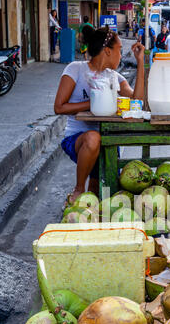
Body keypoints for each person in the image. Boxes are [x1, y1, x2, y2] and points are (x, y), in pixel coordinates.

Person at [54, 27, 144, 203]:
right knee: (93, 138)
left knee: (98, 196)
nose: (121, 54)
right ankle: (78, 189)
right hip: (79, 140)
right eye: (119, 49)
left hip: (107, 140)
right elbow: (59, 107)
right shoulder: (75, 70)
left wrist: (140, 62)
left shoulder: (114, 77)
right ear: (108, 51)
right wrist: (96, 101)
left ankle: (87, 208)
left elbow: (137, 100)